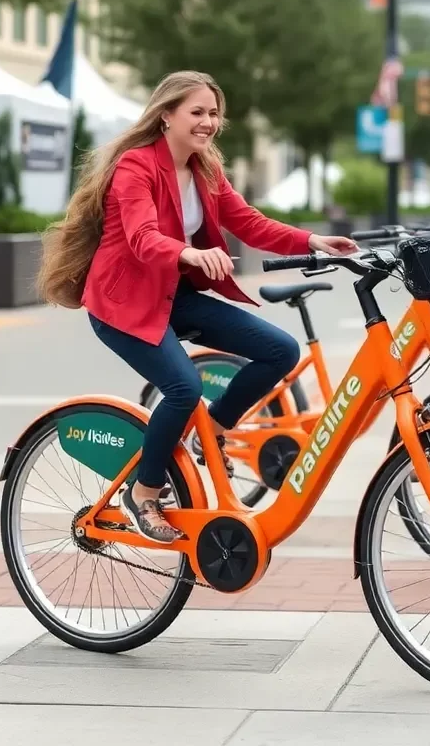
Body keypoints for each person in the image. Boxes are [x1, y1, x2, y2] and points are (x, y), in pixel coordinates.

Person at [37, 70, 357, 543]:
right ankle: (145, 492)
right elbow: (143, 238)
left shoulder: (206, 169)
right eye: (197, 112)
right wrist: (188, 252)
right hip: (123, 304)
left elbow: (248, 222)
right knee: (183, 385)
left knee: (280, 351)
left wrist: (312, 240)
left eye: (213, 113)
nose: (208, 122)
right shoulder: (135, 167)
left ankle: (215, 427)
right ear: (166, 115)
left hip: (173, 297)